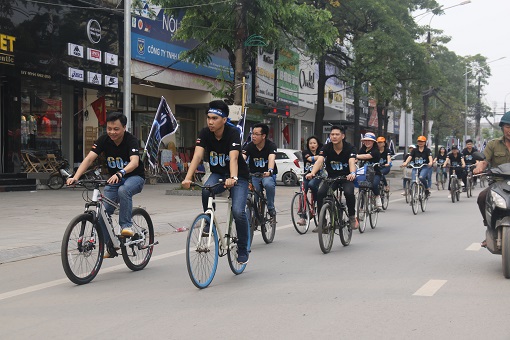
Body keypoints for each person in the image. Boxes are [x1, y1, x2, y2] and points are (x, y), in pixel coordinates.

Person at [66, 112, 145, 258]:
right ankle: (111, 245)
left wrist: (121, 173)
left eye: (116, 129)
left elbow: (134, 162)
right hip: (113, 180)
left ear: (124, 128)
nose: (112, 132)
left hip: (134, 177)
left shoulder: (131, 140)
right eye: (109, 128)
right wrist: (75, 177)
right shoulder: (103, 140)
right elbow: (89, 159)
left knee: (124, 190)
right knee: (102, 213)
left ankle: (126, 226)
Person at [181, 100, 250, 264]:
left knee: (238, 211)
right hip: (218, 174)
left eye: (215, 118)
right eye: (209, 118)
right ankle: (208, 220)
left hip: (238, 176)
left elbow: (233, 158)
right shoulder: (205, 133)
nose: (210, 122)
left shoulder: (233, 133)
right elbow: (197, 156)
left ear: (224, 120)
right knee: (206, 189)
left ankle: (242, 248)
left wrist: (233, 178)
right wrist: (188, 177)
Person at [306, 125, 358, 232]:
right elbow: (319, 161)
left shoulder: (350, 148)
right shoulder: (326, 148)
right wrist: (312, 172)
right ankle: (323, 222)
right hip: (331, 178)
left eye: (337, 134)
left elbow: (351, 161)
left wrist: (352, 173)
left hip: (346, 177)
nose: (334, 137)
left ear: (342, 136)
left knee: (349, 193)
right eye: (332, 134)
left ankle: (352, 217)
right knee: (321, 193)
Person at [474, 111, 510, 247]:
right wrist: (479, 167)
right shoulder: (493, 144)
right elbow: (484, 160)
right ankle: (489, 228)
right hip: (498, 184)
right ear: (502, 128)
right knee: (482, 197)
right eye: (507, 126)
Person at [242, 123, 278, 221]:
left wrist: (270, 171)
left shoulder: (271, 145)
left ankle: (270, 207)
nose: (253, 136)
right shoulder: (249, 146)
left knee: (269, 185)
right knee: (252, 195)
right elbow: (242, 158)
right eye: (252, 134)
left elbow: (271, 158)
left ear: (263, 136)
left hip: (267, 175)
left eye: (256, 134)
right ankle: (250, 220)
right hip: (254, 175)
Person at [298, 136, 323, 225]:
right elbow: (309, 159)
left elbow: (322, 158)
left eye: (314, 143)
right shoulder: (305, 152)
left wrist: (320, 156)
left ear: (318, 144)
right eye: (310, 143)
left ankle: (316, 203)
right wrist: (320, 157)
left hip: (318, 176)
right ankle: (302, 216)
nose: (312, 145)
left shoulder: (322, 151)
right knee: (302, 190)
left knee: (312, 185)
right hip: (307, 175)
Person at [356, 132, 382, 208]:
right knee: (361, 187)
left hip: (375, 173)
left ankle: (377, 197)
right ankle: (361, 208)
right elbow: (357, 158)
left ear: (373, 142)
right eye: (365, 141)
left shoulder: (376, 151)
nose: (367, 142)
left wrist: (356, 156)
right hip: (364, 173)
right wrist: (354, 160)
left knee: (373, 185)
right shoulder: (362, 149)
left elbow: (367, 156)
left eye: (369, 141)